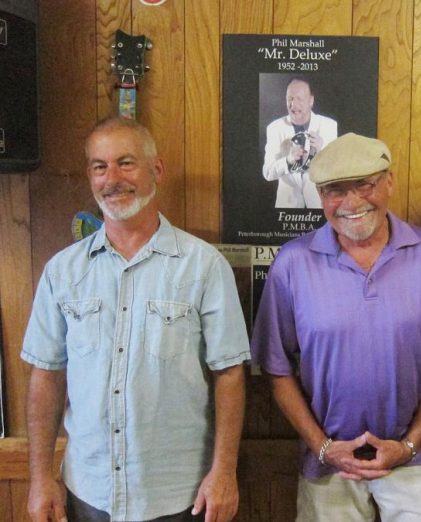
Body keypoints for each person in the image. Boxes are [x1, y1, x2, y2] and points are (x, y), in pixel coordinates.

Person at [22, 117, 250, 522]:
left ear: (156, 170)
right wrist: (40, 478)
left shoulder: (203, 266)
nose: (112, 178)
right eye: (99, 166)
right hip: (89, 492)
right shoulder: (63, 272)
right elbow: (45, 376)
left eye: (125, 163)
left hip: (178, 494)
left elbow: (229, 374)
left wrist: (224, 472)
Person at [251, 132, 421, 521]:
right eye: (335, 190)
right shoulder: (293, 263)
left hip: (418, 462)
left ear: (389, 182)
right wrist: (323, 448)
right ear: (320, 196)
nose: (351, 203)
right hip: (329, 466)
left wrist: (409, 445)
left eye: (364, 185)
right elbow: (277, 368)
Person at [262, 77, 337, 209]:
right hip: (286, 210)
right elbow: (268, 173)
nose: (293, 105)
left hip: (320, 207)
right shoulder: (274, 128)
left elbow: (337, 172)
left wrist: (323, 151)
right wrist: (288, 161)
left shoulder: (329, 126)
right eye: (290, 99)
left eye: (299, 99)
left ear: (311, 101)